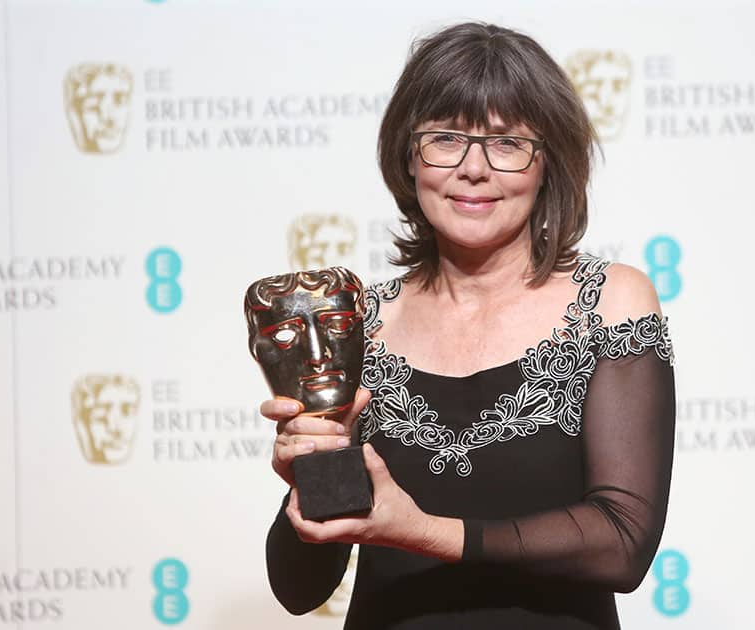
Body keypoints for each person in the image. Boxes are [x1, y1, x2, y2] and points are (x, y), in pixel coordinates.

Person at [262, 21, 676, 629]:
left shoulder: (610, 301)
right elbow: (298, 589)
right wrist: (319, 465)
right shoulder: (358, 325)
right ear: (409, 155)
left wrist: (426, 532)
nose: (473, 169)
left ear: (547, 163)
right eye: (446, 138)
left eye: (507, 143)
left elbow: (623, 543)